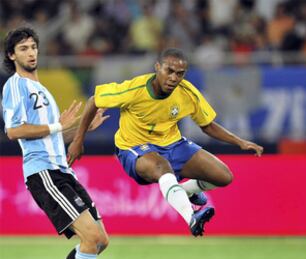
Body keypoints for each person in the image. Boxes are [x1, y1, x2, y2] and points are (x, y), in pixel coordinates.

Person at [67, 48, 263, 236]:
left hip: (174, 144)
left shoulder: (187, 93)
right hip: (134, 147)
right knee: (162, 167)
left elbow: (208, 125)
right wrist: (78, 140)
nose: (174, 78)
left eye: (180, 74)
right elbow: (94, 100)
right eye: (169, 71)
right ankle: (192, 217)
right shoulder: (134, 89)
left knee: (223, 176)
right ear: (157, 67)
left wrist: (240, 142)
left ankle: (183, 192)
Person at [2, 27, 109, 259]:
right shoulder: (15, 85)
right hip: (43, 172)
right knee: (91, 237)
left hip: (62, 170)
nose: (30, 53)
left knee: (101, 240)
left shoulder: (43, 91)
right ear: (12, 55)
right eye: (23, 49)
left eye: (33, 47)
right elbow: (13, 130)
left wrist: (83, 128)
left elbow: (53, 137)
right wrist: (57, 126)